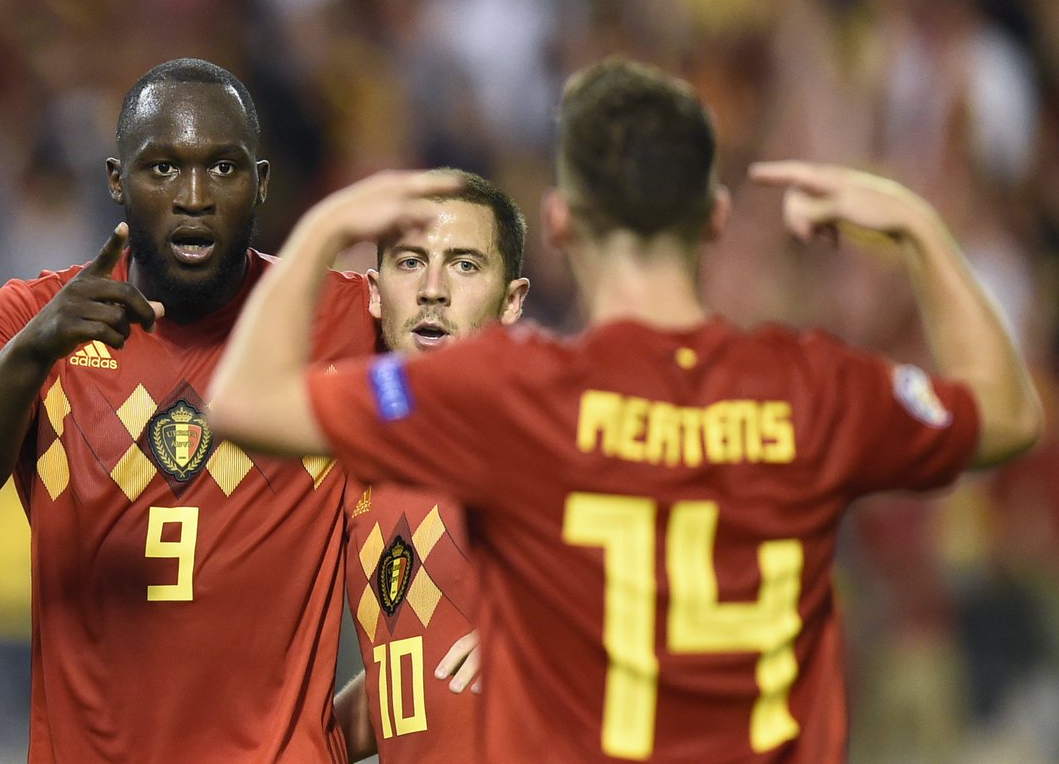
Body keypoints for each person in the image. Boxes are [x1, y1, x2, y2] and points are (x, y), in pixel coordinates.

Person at [207, 56, 1043, 762]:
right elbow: (1007, 418)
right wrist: (921, 231)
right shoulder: (814, 387)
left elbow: (243, 400)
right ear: (715, 218)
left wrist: (323, 231)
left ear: (563, 224)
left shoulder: (513, 395)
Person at [0, 58, 382, 762]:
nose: (193, 195)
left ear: (259, 183)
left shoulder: (346, 318)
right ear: (115, 180)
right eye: (161, 169)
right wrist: (34, 352)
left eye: (222, 170)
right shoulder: (26, 321)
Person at [330, 171, 529, 761]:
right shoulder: (362, 462)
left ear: (513, 300)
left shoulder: (538, 436)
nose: (433, 289)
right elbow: (414, 682)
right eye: (412, 262)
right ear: (374, 290)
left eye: (465, 264)